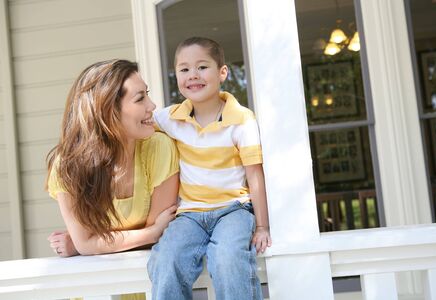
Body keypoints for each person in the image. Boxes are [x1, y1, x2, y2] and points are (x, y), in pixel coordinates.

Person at [147, 37, 271, 300]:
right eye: (184, 69)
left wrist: (262, 226)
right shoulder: (171, 118)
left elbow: (254, 174)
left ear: (222, 73)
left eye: (202, 67)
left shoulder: (241, 120)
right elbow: (137, 122)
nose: (193, 75)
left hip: (233, 211)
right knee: (166, 259)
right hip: (190, 214)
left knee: (228, 260)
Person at [46, 59, 179, 300]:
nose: (152, 105)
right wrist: (149, 232)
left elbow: (160, 239)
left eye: (147, 95)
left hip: (143, 288)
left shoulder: (159, 148)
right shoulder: (66, 166)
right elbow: (151, 234)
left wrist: (84, 244)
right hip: (93, 292)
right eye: (140, 99)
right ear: (108, 111)